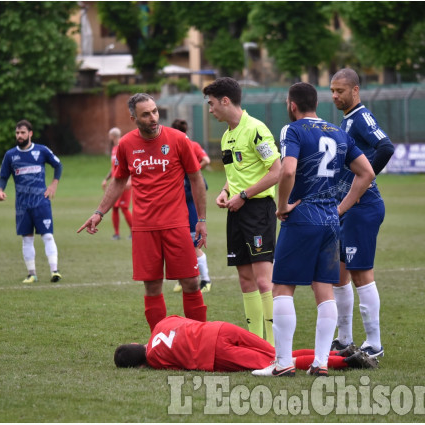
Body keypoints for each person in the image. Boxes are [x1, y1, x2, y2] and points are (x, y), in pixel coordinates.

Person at [253, 82, 375, 378]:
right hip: (330, 220)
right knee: (324, 290)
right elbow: (367, 173)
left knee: (282, 287)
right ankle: (320, 362)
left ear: (292, 105)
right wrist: (341, 208)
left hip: (302, 216)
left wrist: (282, 205)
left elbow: (289, 169)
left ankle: (283, 363)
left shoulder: (292, 130)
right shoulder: (339, 132)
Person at [78, 93, 208, 332]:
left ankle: (200, 338)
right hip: (144, 227)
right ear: (133, 118)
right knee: (152, 287)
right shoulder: (126, 144)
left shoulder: (178, 140)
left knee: (191, 282)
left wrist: (201, 219)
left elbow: (196, 178)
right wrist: (99, 212)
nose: (153, 118)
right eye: (146, 114)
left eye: (155, 111)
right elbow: (118, 181)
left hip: (177, 224)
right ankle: (160, 343)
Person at [202, 77, 280, 346]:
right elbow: (235, 173)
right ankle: (256, 342)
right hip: (236, 210)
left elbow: (277, 171)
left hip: (258, 209)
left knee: (262, 280)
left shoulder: (256, 129)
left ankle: (273, 344)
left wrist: (245, 195)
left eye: (212, 104)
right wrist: (226, 190)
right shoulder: (227, 136)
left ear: (225, 100)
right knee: (245, 279)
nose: (210, 110)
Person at [330, 68, 395, 359]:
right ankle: (344, 339)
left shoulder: (361, 117)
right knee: (339, 274)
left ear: (355, 90)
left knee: (360, 273)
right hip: (348, 207)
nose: (335, 96)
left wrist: (365, 179)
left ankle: (375, 345)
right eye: (332, 91)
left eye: (340, 91)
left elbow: (386, 146)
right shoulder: (345, 122)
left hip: (363, 205)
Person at [114, 315, 378, 372]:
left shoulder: (156, 361)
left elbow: (179, 365)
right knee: (279, 354)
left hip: (214, 352)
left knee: (280, 364)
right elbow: (184, 320)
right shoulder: (161, 324)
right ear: (137, 342)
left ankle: (345, 361)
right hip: (219, 329)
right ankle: (338, 352)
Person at [0, 119, 63, 283]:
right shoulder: (10, 155)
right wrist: (0, 190)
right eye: (17, 133)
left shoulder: (41, 151)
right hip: (22, 205)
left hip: (41, 202)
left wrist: (54, 184)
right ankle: (31, 274)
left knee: (47, 236)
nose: (19, 135)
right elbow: (3, 176)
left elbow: (58, 165)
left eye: (23, 133)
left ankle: (55, 271)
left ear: (30, 134)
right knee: (27, 239)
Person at [170, 119, 212, 293]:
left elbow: (206, 160)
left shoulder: (190, 145)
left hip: (191, 200)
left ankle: (206, 281)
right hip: (177, 201)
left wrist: (192, 170)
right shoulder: (171, 146)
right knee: (180, 244)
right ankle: (183, 278)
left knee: (193, 244)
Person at [101, 127, 133, 240]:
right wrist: (106, 178)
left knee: (124, 207)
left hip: (125, 183)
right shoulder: (114, 148)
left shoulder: (123, 146)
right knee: (114, 207)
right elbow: (113, 167)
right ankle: (116, 233)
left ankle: (134, 232)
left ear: (112, 136)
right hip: (116, 183)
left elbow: (130, 164)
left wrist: (129, 180)